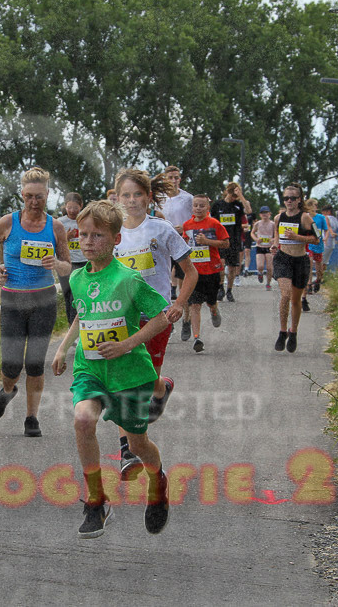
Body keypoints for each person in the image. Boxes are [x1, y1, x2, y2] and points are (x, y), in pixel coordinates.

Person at [51, 200, 171, 538]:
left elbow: (161, 316)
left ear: (116, 240)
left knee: (136, 446)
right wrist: (63, 347)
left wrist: (128, 344)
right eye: (83, 235)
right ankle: (96, 500)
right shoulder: (76, 277)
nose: (88, 242)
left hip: (128, 373)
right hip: (90, 368)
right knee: (83, 419)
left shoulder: (128, 279)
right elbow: (83, 315)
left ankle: (158, 482)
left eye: (98, 236)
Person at [111, 169, 195, 478]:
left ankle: (162, 388)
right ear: (117, 198)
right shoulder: (113, 232)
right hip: (121, 317)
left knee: (145, 382)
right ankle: (126, 451)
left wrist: (178, 304)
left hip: (157, 317)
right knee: (122, 384)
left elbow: (191, 271)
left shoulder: (161, 229)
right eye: (126, 195)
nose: (132, 201)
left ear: (148, 197)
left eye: (137, 195)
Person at [0, 167, 71, 437]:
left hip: (43, 300)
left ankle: (31, 418)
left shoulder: (55, 227)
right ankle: (8, 390)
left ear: (48, 195)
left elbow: (68, 266)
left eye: (40, 197)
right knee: (11, 364)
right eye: (30, 196)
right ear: (22, 195)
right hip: (13, 299)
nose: (35, 202)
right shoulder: (8, 222)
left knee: (34, 364)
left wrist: (56, 263)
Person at [271, 184, 319, 353]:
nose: (289, 201)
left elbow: (316, 239)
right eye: (286, 198)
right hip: (283, 259)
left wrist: (298, 237)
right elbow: (277, 236)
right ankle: (282, 331)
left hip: (300, 261)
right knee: (285, 294)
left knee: (295, 300)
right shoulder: (278, 218)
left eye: (293, 198)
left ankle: (294, 332)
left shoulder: (305, 217)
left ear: (299, 200)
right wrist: (275, 245)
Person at [181, 195, 229, 353]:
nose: (198, 208)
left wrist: (208, 242)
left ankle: (214, 310)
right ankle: (197, 338)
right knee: (194, 305)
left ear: (207, 208)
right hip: (194, 272)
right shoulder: (187, 225)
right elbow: (184, 243)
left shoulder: (214, 224)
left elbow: (226, 243)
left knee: (210, 302)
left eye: (202, 206)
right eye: (196, 205)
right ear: (192, 208)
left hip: (212, 270)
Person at [157, 166, 193, 340]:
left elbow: (196, 219)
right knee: (163, 283)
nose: (173, 181)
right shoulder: (159, 199)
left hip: (181, 241)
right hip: (162, 244)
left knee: (182, 283)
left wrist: (184, 227)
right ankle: (166, 321)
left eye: (176, 177)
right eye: (170, 177)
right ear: (165, 179)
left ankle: (186, 319)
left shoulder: (187, 198)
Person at [211, 182, 251, 302]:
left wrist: (241, 196)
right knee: (221, 265)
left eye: (236, 195)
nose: (234, 197)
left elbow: (248, 210)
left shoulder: (238, 205)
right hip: (220, 240)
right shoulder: (218, 205)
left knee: (232, 267)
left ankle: (229, 290)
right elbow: (211, 220)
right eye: (233, 194)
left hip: (234, 240)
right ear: (228, 192)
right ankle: (220, 287)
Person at [57, 192, 88, 324]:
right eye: (69, 207)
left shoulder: (85, 220)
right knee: (67, 295)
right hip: (65, 263)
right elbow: (54, 242)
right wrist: (66, 237)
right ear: (65, 206)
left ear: (81, 206)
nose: (72, 211)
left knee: (78, 295)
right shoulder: (60, 222)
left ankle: (81, 325)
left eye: (75, 207)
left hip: (82, 262)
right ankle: (72, 327)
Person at [250, 206, 275, 290]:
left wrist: (273, 239)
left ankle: (268, 283)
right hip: (260, 247)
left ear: (269, 214)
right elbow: (252, 233)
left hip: (269, 247)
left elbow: (277, 235)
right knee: (260, 266)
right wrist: (256, 239)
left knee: (269, 267)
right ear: (260, 215)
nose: (265, 215)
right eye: (263, 213)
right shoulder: (257, 223)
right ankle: (260, 273)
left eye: (266, 213)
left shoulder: (273, 224)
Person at [321, 205, 338, 272]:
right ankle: (321, 276)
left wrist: (331, 233)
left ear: (328, 212)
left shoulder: (326, 217)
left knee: (320, 260)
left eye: (323, 212)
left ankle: (319, 277)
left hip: (325, 241)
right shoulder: (335, 219)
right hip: (332, 243)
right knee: (325, 261)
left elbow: (328, 227)